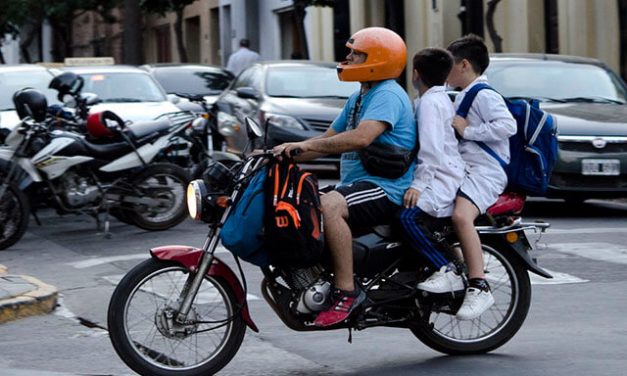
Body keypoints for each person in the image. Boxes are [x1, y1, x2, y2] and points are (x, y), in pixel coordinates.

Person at [272, 27, 416, 327]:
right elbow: (328, 140)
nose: (348, 58)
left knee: (330, 206)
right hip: (358, 184)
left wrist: (305, 145)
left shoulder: (387, 94)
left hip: (386, 187)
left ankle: (347, 292)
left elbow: (361, 138)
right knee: (304, 206)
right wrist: (281, 154)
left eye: (356, 53)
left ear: (378, 59)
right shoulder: (360, 96)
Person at [441, 34, 517, 320]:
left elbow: (507, 125)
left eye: (449, 65)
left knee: (461, 217)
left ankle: (479, 285)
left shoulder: (484, 94)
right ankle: (454, 269)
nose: (445, 71)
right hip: (469, 170)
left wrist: (467, 131)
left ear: (464, 65)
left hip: (486, 173)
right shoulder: (465, 94)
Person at [397, 48, 466, 291]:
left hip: (440, 178)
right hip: (444, 172)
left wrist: (418, 185)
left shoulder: (429, 103)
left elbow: (432, 148)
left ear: (415, 74)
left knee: (408, 218)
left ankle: (447, 269)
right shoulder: (438, 99)